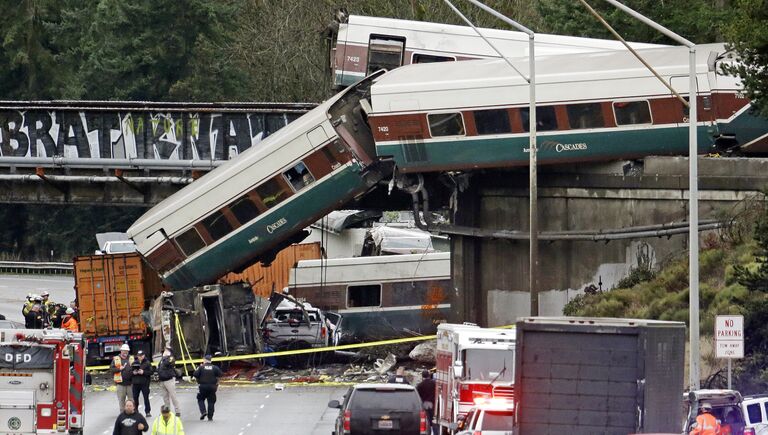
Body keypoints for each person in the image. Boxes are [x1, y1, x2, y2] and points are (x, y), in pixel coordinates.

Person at [193, 354, 222, 421]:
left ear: (205, 360)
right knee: (211, 401)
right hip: (212, 386)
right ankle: (210, 417)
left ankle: (203, 412)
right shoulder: (215, 367)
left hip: (203, 386)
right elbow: (220, 374)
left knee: (200, 399)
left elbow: (195, 374)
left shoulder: (201, 367)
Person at [157, 350, 181, 417]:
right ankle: (167, 411)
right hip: (162, 380)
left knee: (173, 396)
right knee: (165, 397)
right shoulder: (161, 360)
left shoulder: (170, 358)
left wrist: (166, 357)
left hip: (169, 380)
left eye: (165, 351)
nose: (164, 352)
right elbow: (159, 368)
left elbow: (169, 363)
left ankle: (177, 411)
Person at [111, 344, 134, 413]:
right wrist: (118, 369)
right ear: (121, 351)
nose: (125, 353)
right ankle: (122, 414)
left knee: (131, 400)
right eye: (124, 351)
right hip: (120, 384)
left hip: (130, 383)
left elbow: (135, 367)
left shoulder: (131, 358)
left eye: (126, 351)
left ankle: (132, 413)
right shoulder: (116, 359)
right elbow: (111, 369)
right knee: (121, 400)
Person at [132, 350, 153, 417]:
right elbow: (130, 372)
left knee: (146, 398)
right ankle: (135, 410)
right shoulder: (134, 362)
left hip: (144, 383)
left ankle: (148, 411)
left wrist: (143, 372)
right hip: (135, 383)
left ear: (144, 355)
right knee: (135, 398)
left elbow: (151, 372)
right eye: (138, 356)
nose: (140, 357)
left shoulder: (147, 363)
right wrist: (133, 373)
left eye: (141, 356)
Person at [416, 370, 437, 435]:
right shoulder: (434, 383)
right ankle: (434, 432)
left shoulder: (420, 385)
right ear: (428, 375)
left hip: (424, 403)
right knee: (433, 419)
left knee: (426, 419)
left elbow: (418, 395)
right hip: (432, 403)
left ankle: (428, 432)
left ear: (422, 376)